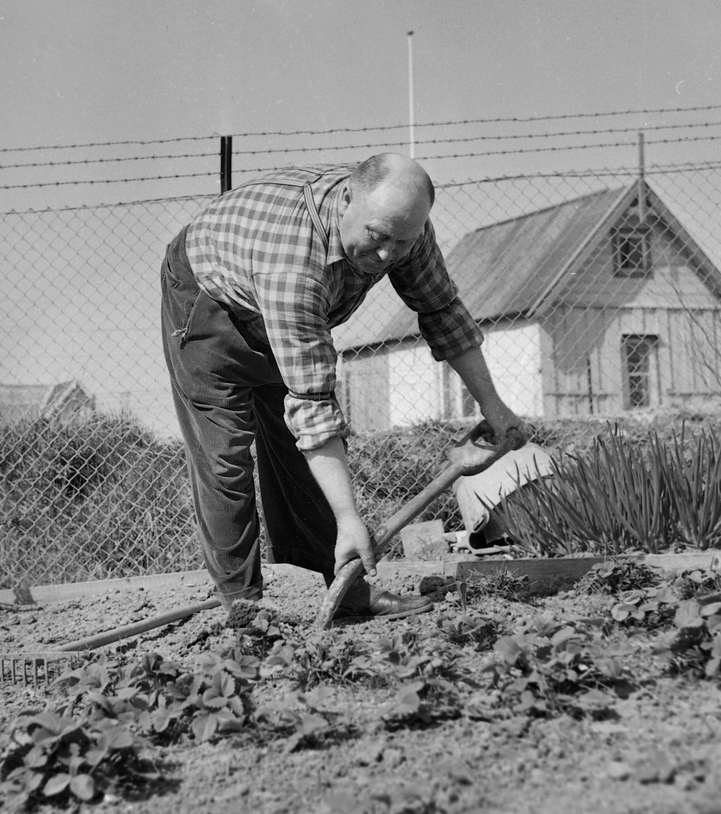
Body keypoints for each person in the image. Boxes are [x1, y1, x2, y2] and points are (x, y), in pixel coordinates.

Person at [161, 152, 524, 620]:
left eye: (402, 242)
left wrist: (494, 407)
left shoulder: (401, 226)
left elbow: (442, 312)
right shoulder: (292, 262)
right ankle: (243, 612)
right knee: (224, 458)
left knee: (302, 455)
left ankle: (346, 593)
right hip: (208, 298)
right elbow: (312, 401)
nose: (387, 256)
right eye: (377, 237)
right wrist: (350, 518)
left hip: (276, 300)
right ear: (348, 198)